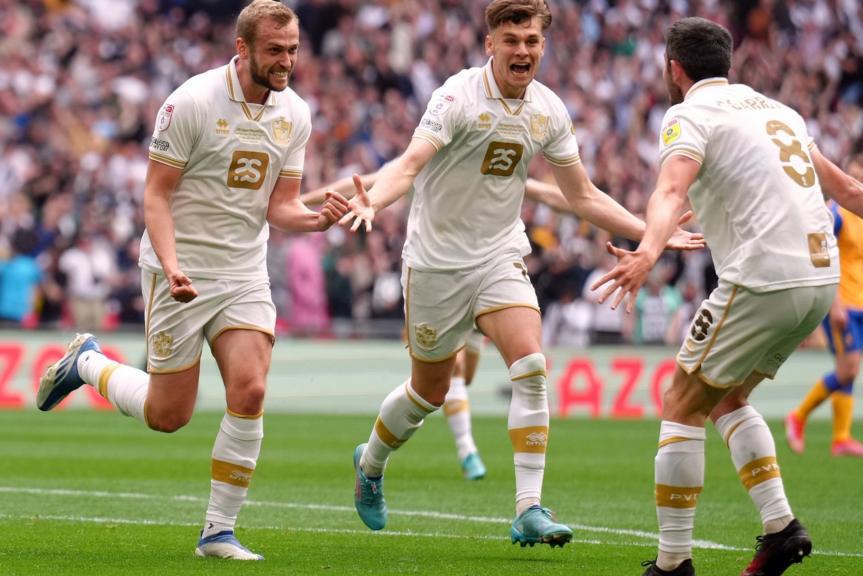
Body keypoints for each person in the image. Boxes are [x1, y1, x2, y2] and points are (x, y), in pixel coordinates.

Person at [591, 18, 863, 576]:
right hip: (819, 281)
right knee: (726, 398)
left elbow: (669, 188)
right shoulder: (777, 111)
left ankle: (672, 564)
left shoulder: (688, 113)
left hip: (762, 279)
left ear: (675, 69)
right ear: (728, 64)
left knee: (680, 402)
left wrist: (647, 251)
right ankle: (781, 529)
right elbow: (851, 190)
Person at [339, 0, 703, 547]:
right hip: (436, 263)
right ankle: (369, 464)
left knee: (531, 365)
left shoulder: (548, 110)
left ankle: (528, 507)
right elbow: (409, 165)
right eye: (512, 40)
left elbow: (580, 195)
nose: (523, 50)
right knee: (428, 392)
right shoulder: (455, 96)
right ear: (490, 43)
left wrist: (649, 232)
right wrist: (377, 202)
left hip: (498, 255)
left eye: (532, 40)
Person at [35, 0, 347, 561]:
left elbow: (282, 206)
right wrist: (174, 265)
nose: (287, 61)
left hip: (244, 271)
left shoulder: (295, 113)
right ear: (243, 48)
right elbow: (155, 195)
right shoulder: (191, 102)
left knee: (250, 390)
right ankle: (86, 362)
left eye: (293, 50)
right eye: (275, 50)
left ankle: (217, 532)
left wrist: (318, 218)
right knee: (168, 416)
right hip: (178, 270)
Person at [302, 170, 573, 482]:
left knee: (465, 375)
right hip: (437, 275)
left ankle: (399, 455)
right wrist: (304, 201)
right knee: (445, 379)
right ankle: (467, 450)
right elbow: (370, 179)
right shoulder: (429, 145)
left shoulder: (492, 152)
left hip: (487, 272)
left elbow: (550, 193)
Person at [785, 156, 863, 458]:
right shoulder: (834, 213)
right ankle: (798, 416)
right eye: (852, 176)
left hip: (861, 303)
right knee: (848, 368)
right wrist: (834, 302)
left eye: (862, 178)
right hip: (840, 302)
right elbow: (819, 255)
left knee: (850, 371)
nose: (856, 183)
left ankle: (841, 438)